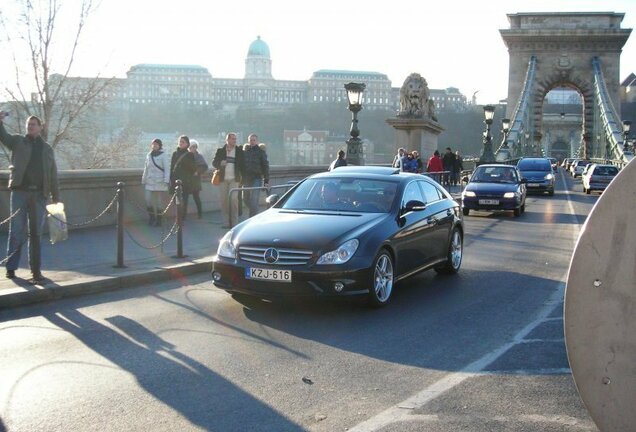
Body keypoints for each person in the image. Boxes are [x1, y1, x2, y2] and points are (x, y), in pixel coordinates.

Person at [0, 112, 59, 283]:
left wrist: (56, 197)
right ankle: (11, 268)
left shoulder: (47, 149)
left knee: (36, 234)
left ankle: (36, 271)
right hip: (20, 192)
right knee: (16, 231)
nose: (30, 126)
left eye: (34, 124)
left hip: (40, 195)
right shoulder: (18, 141)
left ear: (40, 128)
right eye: (28, 124)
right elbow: (3, 136)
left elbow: (53, 175)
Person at [212, 132, 245, 228]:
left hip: (234, 179)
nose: (235, 140)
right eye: (233, 139)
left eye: (235, 139)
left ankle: (235, 222)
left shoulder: (239, 151)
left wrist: (243, 180)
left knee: (234, 200)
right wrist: (220, 163)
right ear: (228, 140)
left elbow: (243, 166)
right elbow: (214, 163)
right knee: (224, 201)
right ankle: (226, 222)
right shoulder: (220, 151)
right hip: (223, 179)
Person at [141, 138, 170, 226]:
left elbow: (167, 169)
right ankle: (152, 217)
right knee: (148, 199)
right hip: (150, 181)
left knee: (158, 202)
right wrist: (144, 178)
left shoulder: (163, 155)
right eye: (153, 144)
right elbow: (146, 168)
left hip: (159, 181)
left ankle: (159, 220)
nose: (154, 146)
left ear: (159, 145)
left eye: (156, 144)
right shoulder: (149, 155)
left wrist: (166, 180)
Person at [242, 133, 269, 218]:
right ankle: (255, 211)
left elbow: (265, 166)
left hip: (256, 178)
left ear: (257, 141)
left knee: (254, 200)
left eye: (254, 140)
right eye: (251, 140)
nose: (252, 142)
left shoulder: (261, 152)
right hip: (246, 178)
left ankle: (252, 218)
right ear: (248, 141)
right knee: (245, 199)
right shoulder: (245, 152)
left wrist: (266, 180)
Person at [170, 135, 196, 220]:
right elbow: (172, 167)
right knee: (175, 200)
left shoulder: (189, 155)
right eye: (180, 142)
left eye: (183, 142)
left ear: (187, 144)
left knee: (184, 200)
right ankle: (178, 216)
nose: (180, 143)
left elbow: (193, 168)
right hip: (175, 181)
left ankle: (182, 218)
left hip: (185, 182)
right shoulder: (175, 154)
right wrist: (171, 179)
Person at [188, 139, 209, 219]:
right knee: (184, 198)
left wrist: (198, 172)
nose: (192, 149)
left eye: (194, 147)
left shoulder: (199, 156)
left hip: (195, 180)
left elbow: (204, 166)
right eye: (191, 147)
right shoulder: (186, 156)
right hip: (187, 180)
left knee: (196, 197)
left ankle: (200, 214)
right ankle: (182, 216)